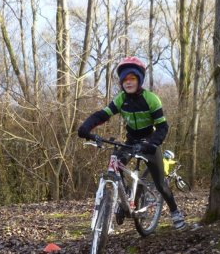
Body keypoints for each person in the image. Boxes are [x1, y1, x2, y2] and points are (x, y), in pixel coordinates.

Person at [77, 56, 186, 230]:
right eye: (125, 80)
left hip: (149, 142)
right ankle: (124, 199)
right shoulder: (121, 99)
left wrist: (152, 143)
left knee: (160, 183)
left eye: (132, 78)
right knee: (116, 165)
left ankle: (175, 212)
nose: (128, 82)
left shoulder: (151, 99)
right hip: (131, 141)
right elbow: (101, 115)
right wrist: (85, 128)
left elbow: (162, 127)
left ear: (139, 80)